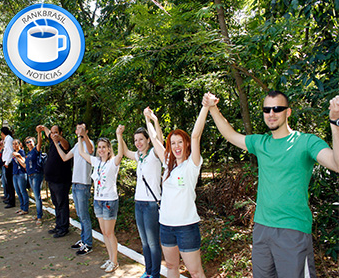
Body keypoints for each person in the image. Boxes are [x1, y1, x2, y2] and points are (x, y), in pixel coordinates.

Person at [203, 91, 339, 277]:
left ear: (288, 112)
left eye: (277, 108)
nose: (271, 113)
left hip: (293, 230)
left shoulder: (305, 142)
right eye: (267, 109)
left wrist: (335, 123)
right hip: (261, 228)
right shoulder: (261, 143)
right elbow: (230, 135)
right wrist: (213, 108)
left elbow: (336, 164)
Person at [144, 106, 208, 278]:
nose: (177, 146)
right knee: (171, 266)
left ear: (186, 144)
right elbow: (154, 138)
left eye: (180, 142)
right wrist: (148, 119)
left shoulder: (192, 165)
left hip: (186, 227)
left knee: (195, 271)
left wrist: (205, 107)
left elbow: (196, 135)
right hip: (165, 226)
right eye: (173, 143)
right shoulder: (168, 164)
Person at [120, 120, 163, 278]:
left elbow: (160, 139)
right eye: (136, 140)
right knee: (144, 242)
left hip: (152, 204)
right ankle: (148, 271)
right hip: (139, 203)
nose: (138, 143)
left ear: (148, 140)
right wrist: (120, 135)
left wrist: (154, 121)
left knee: (153, 243)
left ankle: (155, 274)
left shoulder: (154, 153)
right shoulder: (139, 157)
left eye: (141, 139)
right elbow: (125, 151)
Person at [78, 125, 123, 273]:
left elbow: (121, 153)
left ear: (109, 149)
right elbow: (81, 152)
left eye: (104, 147)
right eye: (99, 147)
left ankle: (115, 261)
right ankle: (110, 259)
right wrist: (80, 136)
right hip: (98, 200)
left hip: (110, 201)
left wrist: (119, 135)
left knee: (110, 233)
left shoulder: (113, 162)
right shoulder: (97, 162)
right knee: (104, 232)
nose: (101, 149)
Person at [52, 122, 95, 256]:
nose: (79, 130)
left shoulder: (90, 143)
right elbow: (65, 157)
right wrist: (55, 143)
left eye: (82, 128)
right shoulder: (77, 145)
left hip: (83, 184)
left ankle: (88, 243)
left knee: (84, 215)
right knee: (80, 215)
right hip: (75, 184)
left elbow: (91, 150)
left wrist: (83, 136)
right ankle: (83, 240)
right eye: (77, 128)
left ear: (86, 131)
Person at [38, 125, 72, 238]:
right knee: (56, 203)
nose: (53, 134)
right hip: (51, 180)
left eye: (56, 132)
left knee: (62, 204)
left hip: (61, 180)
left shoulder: (63, 143)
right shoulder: (52, 140)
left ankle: (64, 228)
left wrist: (59, 139)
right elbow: (48, 132)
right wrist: (43, 128)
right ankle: (58, 225)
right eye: (52, 133)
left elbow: (66, 146)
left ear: (61, 133)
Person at [25, 127, 44, 225]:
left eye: (30, 141)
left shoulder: (35, 150)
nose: (29, 143)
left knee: (37, 196)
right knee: (36, 195)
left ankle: (40, 217)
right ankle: (38, 214)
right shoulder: (28, 154)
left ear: (34, 142)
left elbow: (40, 143)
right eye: (27, 142)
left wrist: (39, 133)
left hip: (37, 174)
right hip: (30, 175)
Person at [12, 139, 29, 215]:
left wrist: (17, 156)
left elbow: (24, 162)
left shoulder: (21, 152)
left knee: (23, 191)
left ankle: (25, 208)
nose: (14, 145)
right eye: (13, 144)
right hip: (15, 173)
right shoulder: (14, 152)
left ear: (19, 144)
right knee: (18, 192)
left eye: (16, 144)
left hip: (21, 173)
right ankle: (22, 207)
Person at [1, 127, 15, 209]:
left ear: (2, 133)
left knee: (10, 183)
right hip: (6, 163)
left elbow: (10, 152)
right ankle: (10, 198)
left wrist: (7, 162)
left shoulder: (9, 139)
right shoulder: (7, 139)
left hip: (9, 164)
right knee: (8, 183)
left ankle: (12, 201)